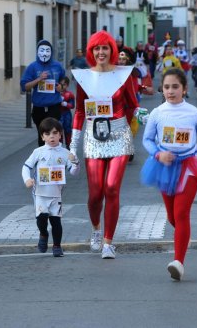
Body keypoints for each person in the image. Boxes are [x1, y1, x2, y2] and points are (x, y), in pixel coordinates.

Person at [70, 30, 148, 259]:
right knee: (95, 193)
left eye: (105, 48)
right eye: (97, 48)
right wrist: (72, 148)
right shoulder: (83, 78)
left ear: (112, 50)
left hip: (119, 135)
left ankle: (108, 242)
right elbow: (80, 112)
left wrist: (149, 118)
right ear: (91, 52)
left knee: (112, 187)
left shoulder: (124, 75)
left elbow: (133, 105)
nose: (101, 52)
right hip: (93, 139)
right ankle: (95, 229)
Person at [141, 68, 197, 281]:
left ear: (184, 89)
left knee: (181, 213)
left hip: (190, 165)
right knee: (171, 216)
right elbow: (147, 140)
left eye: (175, 87)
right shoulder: (157, 113)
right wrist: (158, 154)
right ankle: (183, 235)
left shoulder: (193, 113)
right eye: (167, 87)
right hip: (164, 166)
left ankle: (178, 262)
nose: (170, 91)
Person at [22, 117, 80, 257]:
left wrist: (76, 162)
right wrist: (27, 179)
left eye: (55, 133)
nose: (51, 137)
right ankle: (43, 234)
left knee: (56, 220)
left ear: (60, 134)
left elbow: (73, 172)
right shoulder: (38, 152)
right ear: (42, 137)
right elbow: (26, 167)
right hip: (40, 193)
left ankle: (57, 246)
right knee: (41, 218)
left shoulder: (66, 153)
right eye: (47, 134)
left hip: (56, 194)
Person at [20, 40, 66, 145]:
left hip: (54, 106)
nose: (45, 53)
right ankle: (43, 159)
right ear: (37, 52)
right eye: (42, 50)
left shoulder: (57, 66)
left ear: (51, 52)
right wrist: (38, 79)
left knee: (54, 134)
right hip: (39, 108)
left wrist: (61, 87)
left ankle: (57, 158)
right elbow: (24, 86)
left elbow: (64, 80)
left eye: (47, 50)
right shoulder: (32, 67)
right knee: (43, 137)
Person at [58, 77, 75, 146]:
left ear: (67, 85)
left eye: (64, 84)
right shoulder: (56, 93)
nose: (62, 86)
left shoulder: (69, 94)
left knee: (68, 130)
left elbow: (72, 105)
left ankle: (69, 146)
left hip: (66, 114)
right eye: (61, 84)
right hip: (58, 114)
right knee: (59, 130)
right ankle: (59, 146)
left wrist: (65, 104)